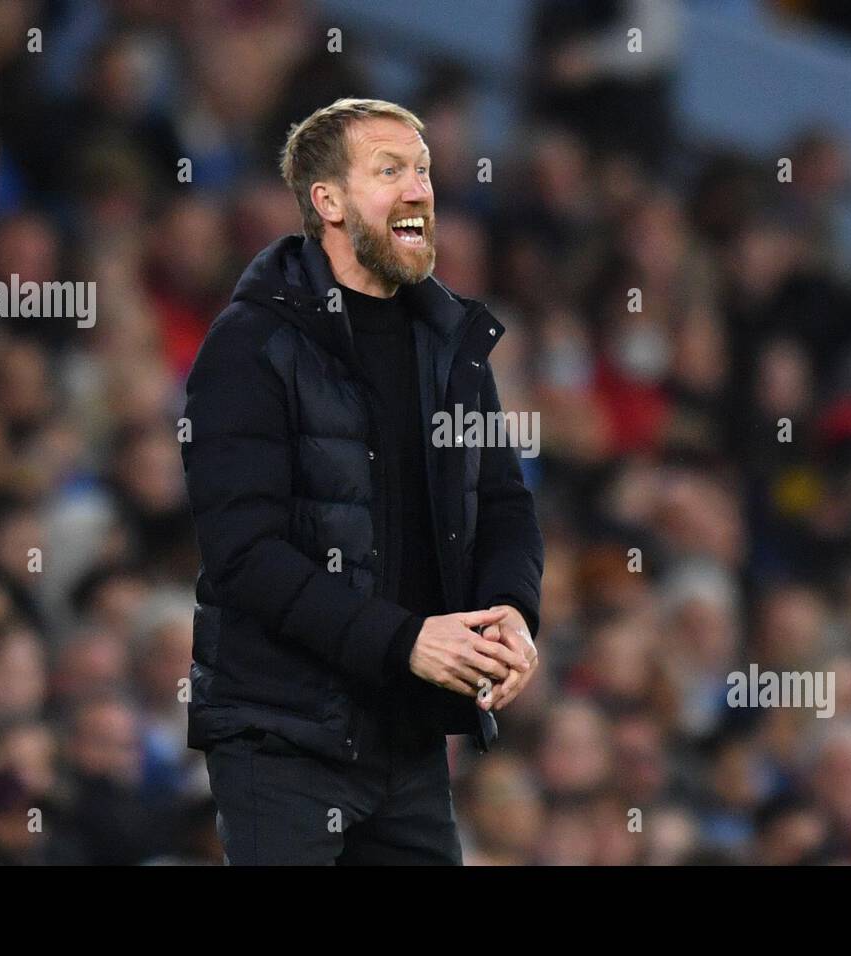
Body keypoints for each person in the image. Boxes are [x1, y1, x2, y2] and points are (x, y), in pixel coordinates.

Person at [182, 98, 544, 864]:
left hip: (407, 741)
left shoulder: (451, 344)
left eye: (423, 170)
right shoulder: (251, 345)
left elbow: (506, 503)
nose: (420, 190)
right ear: (329, 202)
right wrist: (406, 639)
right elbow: (245, 556)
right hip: (283, 736)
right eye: (390, 171)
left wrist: (513, 609)